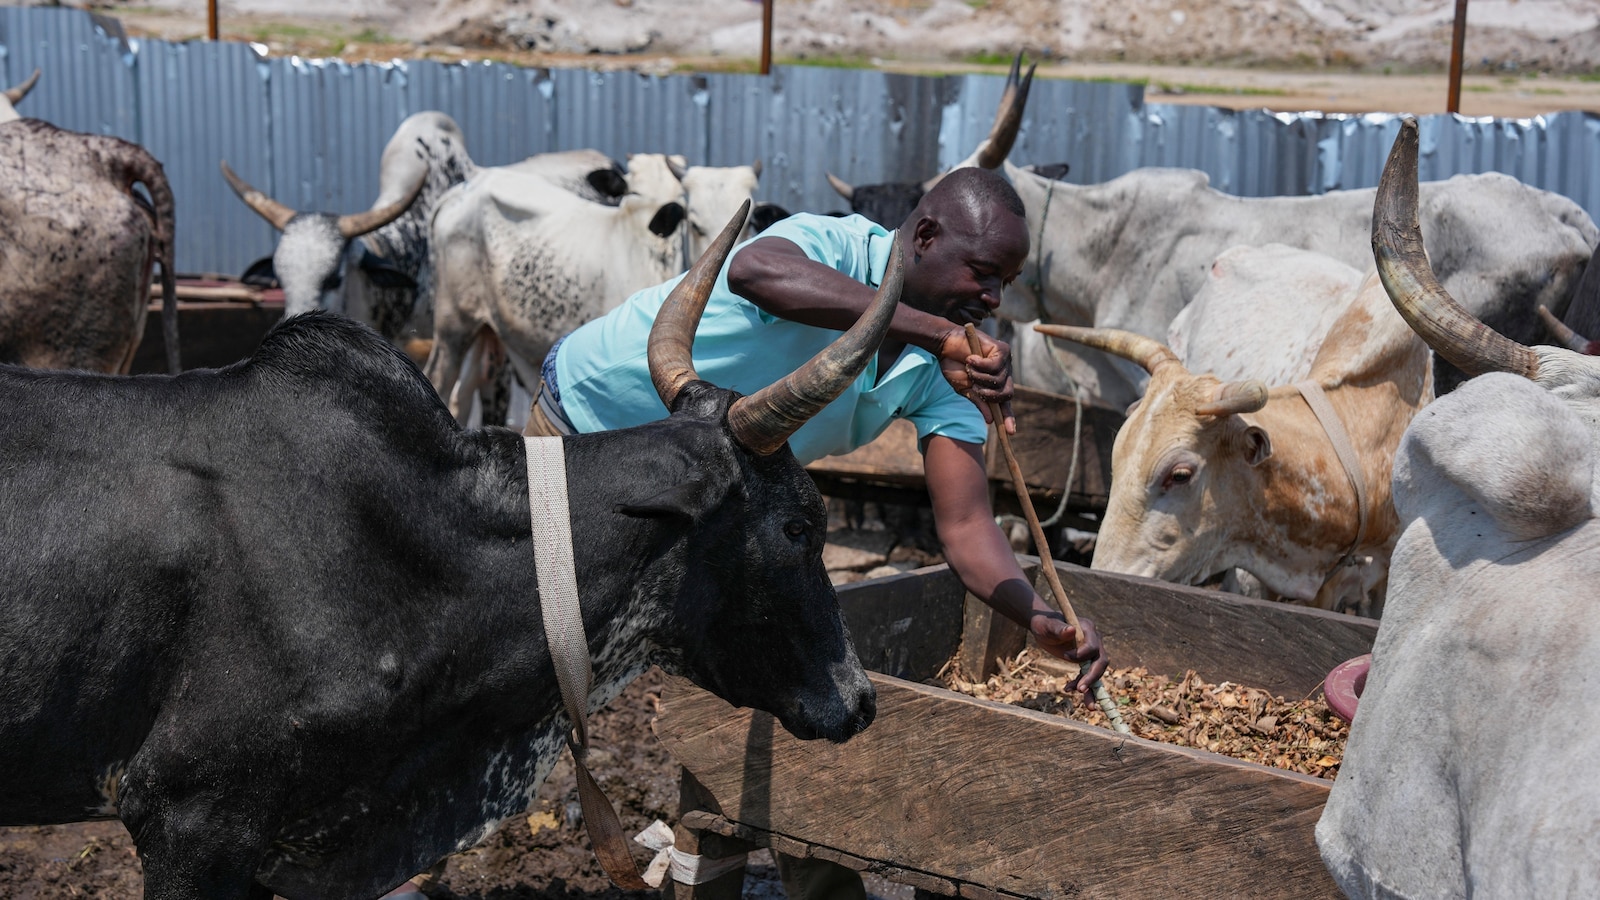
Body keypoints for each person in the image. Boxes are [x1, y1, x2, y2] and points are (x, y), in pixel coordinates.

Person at [526, 166, 1108, 898]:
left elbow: (964, 527)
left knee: (774, 657)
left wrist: (1039, 618)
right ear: (923, 236)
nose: (993, 299)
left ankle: (727, 867)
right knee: (528, 668)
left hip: (712, 495)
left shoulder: (945, 371)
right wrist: (936, 333)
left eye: (1006, 282)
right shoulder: (838, 247)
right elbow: (755, 268)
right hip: (586, 431)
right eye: (985, 272)